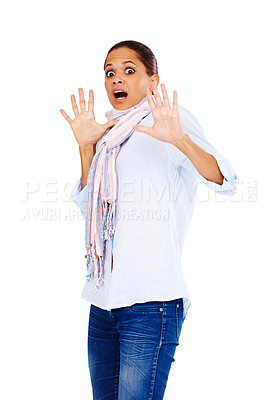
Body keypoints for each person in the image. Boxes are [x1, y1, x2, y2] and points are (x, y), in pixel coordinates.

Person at [60, 40, 238, 400]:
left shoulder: (170, 119)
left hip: (151, 303)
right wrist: (85, 147)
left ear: (153, 81)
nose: (116, 80)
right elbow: (89, 207)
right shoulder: (107, 135)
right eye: (110, 73)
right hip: (103, 301)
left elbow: (225, 181)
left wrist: (179, 140)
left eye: (129, 70)